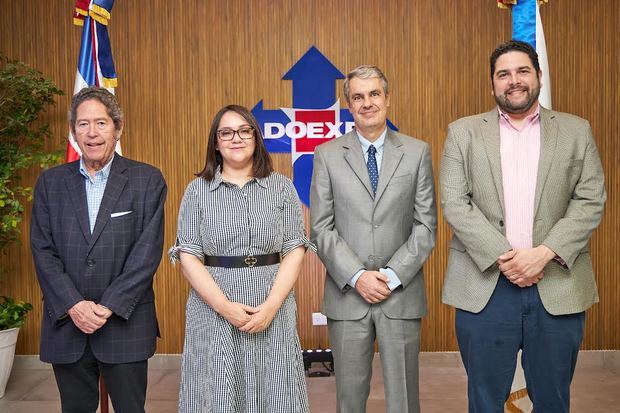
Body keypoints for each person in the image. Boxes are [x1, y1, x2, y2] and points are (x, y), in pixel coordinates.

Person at [440, 40, 606, 412]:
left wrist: (543, 254)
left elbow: (590, 199)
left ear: (539, 76)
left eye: (522, 71)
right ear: (492, 84)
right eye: (503, 74)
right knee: (484, 401)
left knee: (553, 400)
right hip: (485, 289)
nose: (513, 81)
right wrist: (510, 259)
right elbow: (455, 202)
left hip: (557, 285)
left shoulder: (576, 131)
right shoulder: (463, 133)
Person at [30, 86, 167, 412]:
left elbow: (147, 252)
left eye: (101, 123)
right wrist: (74, 304)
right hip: (66, 322)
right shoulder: (51, 184)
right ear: (73, 131)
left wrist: (108, 306)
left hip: (125, 322)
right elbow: (42, 249)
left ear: (118, 128)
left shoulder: (146, 180)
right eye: (83, 124)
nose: (92, 133)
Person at [310, 65, 437, 413]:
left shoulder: (417, 152)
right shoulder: (327, 155)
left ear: (387, 98)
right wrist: (358, 276)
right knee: (349, 400)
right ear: (348, 105)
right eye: (358, 97)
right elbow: (321, 228)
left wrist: (391, 276)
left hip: (402, 295)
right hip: (348, 297)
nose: (367, 103)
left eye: (374, 94)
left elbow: (425, 226)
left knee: (404, 400)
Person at [169, 105, 311, 412]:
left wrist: (271, 306)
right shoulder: (197, 191)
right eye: (226, 132)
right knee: (218, 390)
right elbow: (189, 257)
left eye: (245, 131)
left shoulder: (282, 187)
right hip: (213, 306)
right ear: (216, 143)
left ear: (256, 139)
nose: (236, 138)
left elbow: (294, 250)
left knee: (276, 390)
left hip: (272, 302)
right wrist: (225, 308)